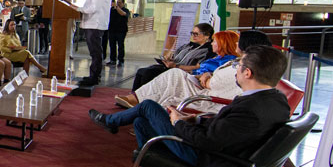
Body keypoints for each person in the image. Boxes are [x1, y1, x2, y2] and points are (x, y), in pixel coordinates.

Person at [88, 45, 291, 167]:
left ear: (248, 73)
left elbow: (208, 141)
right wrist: (196, 119)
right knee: (142, 121)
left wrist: (177, 123)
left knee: (148, 106)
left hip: (208, 159)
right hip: (225, 153)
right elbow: (230, 130)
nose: (236, 69)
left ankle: (110, 121)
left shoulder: (250, 109)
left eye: (239, 66)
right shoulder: (277, 101)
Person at [115, 31, 269, 112]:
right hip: (204, 84)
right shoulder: (237, 62)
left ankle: (139, 108)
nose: (237, 43)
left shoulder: (241, 66)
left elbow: (216, 82)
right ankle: (136, 100)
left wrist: (206, 78)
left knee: (170, 79)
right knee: (159, 74)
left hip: (210, 97)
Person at [132, 23, 215, 91]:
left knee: (148, 73)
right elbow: (175, 56)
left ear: (207, 36)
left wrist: (176, 66)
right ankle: (134, 96)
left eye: (196, 34)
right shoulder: (189, 45)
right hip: (172, 67)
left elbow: (198, 67)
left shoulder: (208, 50)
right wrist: (169, 59)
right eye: (192, 33)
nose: (193, 36)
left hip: (182, 72)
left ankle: (141, 98)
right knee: (141, 71)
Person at [66, 0, 112, 86]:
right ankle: (94, 75)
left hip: (94, 24)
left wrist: (77, 8)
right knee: (95, 52)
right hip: (93, 23)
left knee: (95, 52)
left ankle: (94, 77)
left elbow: (93, 8)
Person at [105, 0, 131, 67]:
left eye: (120, 3)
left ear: (123, 3)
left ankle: (121, 61)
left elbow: (123, 14)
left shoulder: (126, 10)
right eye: (117, 3)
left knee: (120, 46)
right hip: (112, 30)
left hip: (121, 31)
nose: (118, 4)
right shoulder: (112, 10)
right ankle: (113, 60)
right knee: (112, 46)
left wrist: (116, 7)